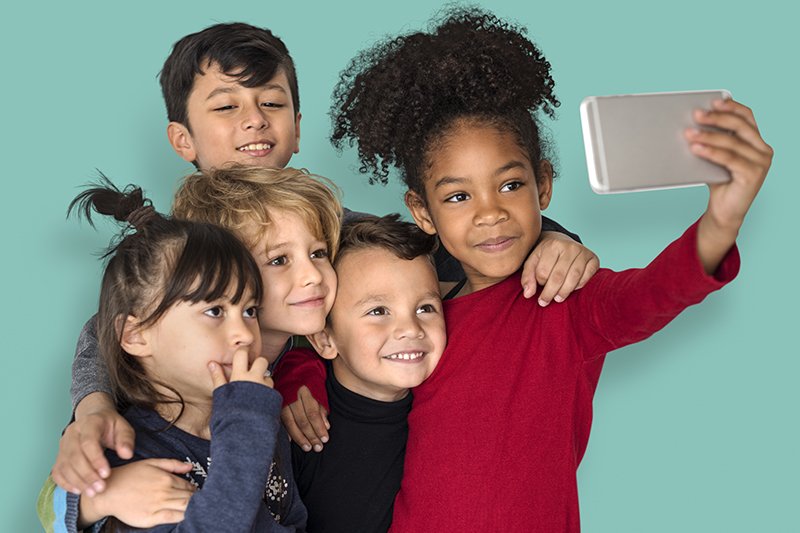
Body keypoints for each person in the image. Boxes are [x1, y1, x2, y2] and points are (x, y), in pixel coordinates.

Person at [49, 19, 597, 501]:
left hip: (324, 456)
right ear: (181, 139)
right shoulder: (176, 250)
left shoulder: (333, 222)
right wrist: (92, 409)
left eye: (272, 102)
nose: (255, 120)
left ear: (298, 124)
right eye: (225, 106)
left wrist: (552, 237)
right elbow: (108, 328)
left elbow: (444, 242)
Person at [278, 7, 772, 531]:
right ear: (423, 212)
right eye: (459, 195)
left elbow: (650, 294)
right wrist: (297, 370)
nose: (490, 212)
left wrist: (724, 215)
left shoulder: (567, 302)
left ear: (544, 185)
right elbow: (337, 340)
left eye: (510, 185)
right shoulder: (424, 323)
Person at [39, 167, 340, 532]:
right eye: (278, 259)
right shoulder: (131, 445)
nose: (242, 333)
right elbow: (105, 333)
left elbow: (292, 519)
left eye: (248, 310)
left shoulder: (264, 407)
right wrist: (94, 489)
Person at [281, 215, 446, 533]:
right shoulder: (299, 426)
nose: (410, 329)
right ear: (325, 339)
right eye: (378, 311)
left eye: (426, 307)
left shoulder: (451, 399)